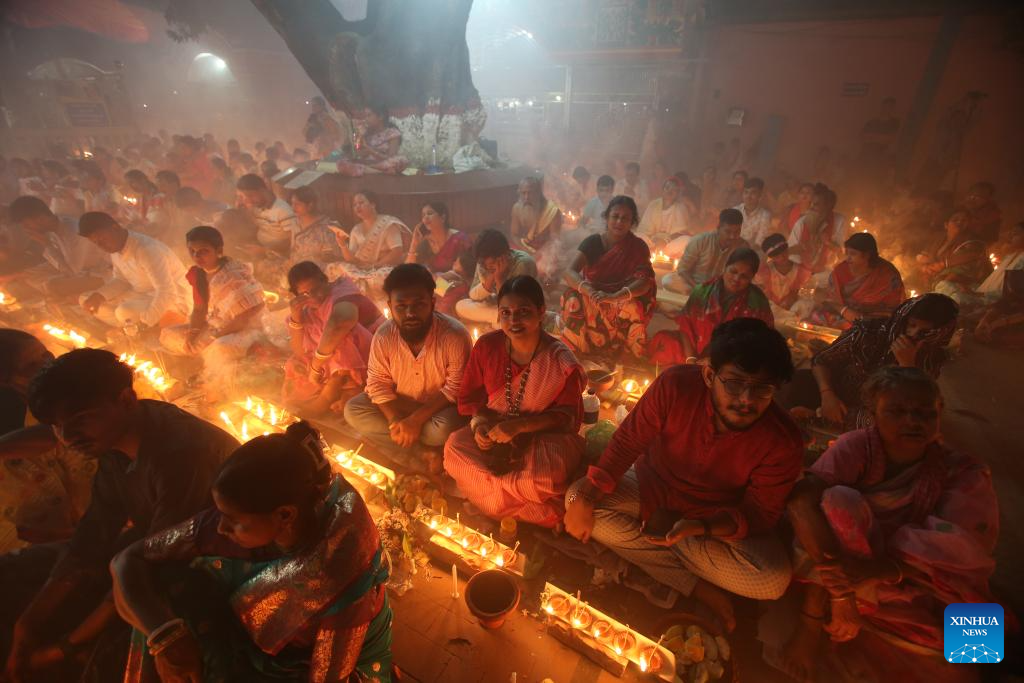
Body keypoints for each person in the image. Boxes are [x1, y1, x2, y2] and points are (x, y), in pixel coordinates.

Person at [0, 349, 238, 682]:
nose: (67, 438)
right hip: (144, 551)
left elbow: (151, 563)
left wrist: (61, 649)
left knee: (108, 663)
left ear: (126, 399)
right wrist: (27, 626)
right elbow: (92, 536)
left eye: (81, 419)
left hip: (202, 568)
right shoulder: (115, 443)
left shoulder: (180, 455)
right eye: (56, 427)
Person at [564, 319, 802, 630]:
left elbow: (759, 513)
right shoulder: (675, 385)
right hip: (651, 485)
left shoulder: (782, 440)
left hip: (715, 514)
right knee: (574, 498)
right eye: (734, 383)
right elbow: (628, 440)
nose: (746, 399)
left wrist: (701, 528)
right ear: (708, 374)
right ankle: (697, 585)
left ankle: (654, 549)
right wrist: (589, 492)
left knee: (772, 581)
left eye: (762, 389)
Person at [110, 422, 392, 683]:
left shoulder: (339, 573)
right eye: (219, 513)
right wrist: (166, 637)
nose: (220, 528)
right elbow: (127, 560)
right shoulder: (230, 523)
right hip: (246, 634)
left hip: (299, 664)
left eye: (232, 519)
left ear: (284, 515)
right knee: (161, 584)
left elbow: (329, 677)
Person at [782, 367, 997, 683]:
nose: (913, 421)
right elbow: (801, 503)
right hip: (853, 571)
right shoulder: (857, 448)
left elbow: (962, 547)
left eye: (925, 413)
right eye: (897, 411)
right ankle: (815, 623)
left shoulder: (962, 470)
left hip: (923, 575)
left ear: (940, 415)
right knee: (838, 503)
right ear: (873, 414)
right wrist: (843, 594)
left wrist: (887, 570)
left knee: (972, 654)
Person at [445, 276, 585, 527]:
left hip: (545, 437)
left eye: (523, 312)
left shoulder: (560, 360)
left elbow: (567, 418)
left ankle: (490, 499)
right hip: (496, 429)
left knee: (543, 477)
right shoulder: (488, 346)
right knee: (454, 448)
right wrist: (480, 427)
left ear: (541, 312)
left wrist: (520, 427)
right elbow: (470, 397)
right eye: (506, 313)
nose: (513, 321)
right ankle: (524, 506)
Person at [344, 264, 471, 472]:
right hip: (399, 404)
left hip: (437, 409)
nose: (410, 313)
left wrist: (416, 420)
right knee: (353, 410)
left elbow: (455, 389)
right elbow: (377, 383)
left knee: (441, 429)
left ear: (432, 302)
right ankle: (422, 451)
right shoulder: (384, 336)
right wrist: (395, 420)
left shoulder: (455, 336)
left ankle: (411, 442)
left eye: (419, 304)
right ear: (390, 305)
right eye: (401, 306)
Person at [0, 331, 95, 553]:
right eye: (31, 365)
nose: (48, 363)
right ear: (6, 382)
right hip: (48, 556)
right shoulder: (13, 426)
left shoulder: (56, 399)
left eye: (46, 354)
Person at [812, 293, 958, 430]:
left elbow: (919, 406)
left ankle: (821, 418)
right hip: (836, 395)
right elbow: (822, 359)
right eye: (912, 325)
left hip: (876, 417)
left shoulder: (934, 359)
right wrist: (827, 394)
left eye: (925, 332)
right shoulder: (869, 331)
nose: (913, 334)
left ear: (939, 333)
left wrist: (908, 366)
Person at [159, 227, 267, 399]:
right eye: (192, 251)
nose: (196, 257)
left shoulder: (234, 274)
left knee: (218, 348)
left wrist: (213, 337)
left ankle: (213, 387)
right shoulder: (198, 274)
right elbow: (199, 309)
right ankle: (203, 364)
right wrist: (193, 334)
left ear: (219, 251)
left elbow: (246, 317)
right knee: (168, 335)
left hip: (246, 329)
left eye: (203, 251)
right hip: (215, 324)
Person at [282, 262, 384, 415]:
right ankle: (341, 392)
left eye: (316, 289)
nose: (313, 297)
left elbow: (340, 324)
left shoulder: (341, 292)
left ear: (325, 280)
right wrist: (296, 318)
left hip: (373, 353)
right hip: (335, 361)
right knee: (295, 363)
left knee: (341, 337)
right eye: (304, 294)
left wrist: (316, 367)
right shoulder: (306, 309)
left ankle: (330, 394)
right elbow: (299, 350)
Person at [561, 196, 656, 359]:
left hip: (622, 299)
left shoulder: (638, 247)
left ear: (632, 222)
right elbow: (569, 272)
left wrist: (615, 297)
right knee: (572, 297)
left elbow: (644, 282)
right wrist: (589, 290)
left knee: (634, 306)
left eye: (625, 218)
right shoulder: (593, 242)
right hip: (594, 297)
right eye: (615, 216)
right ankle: (578, 351)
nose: (619, 222)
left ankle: (628, 355)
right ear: (607, 217)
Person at [78, 212, 191, 331]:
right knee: (86, 300)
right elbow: (121, 280)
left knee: (123, 312)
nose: (101, 246)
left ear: (115, 228)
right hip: (140, 294)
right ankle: (130, 327)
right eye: (96, 243)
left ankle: (138, 326)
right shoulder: (115, 247)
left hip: (172, 298)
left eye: (102, 239)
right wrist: (99, 296)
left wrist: (147, 322)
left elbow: (167, 290)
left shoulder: (146, 250)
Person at [668, 247, 773, 362]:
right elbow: (685, 327)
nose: (736, 279)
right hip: (695, 354)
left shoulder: (757, 303)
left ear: (751, 278)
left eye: (744, 276)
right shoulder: (702, 291)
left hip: (733, 361)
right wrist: (691, 359)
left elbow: (758, 343)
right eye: (733, 271)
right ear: (725, 268)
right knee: (664, 343)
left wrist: (716, 362)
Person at [3, 195, 108, 298]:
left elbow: (72, 272)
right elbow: (57, 264)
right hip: (78, 273)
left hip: (99, 276)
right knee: (29, 279)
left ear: (40, 218)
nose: (27, 230)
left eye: (27, 225)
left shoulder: (75, 232)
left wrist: (47, 245)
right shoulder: (55, 229)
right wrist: (19, 274)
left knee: (53, 286)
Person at [809, 233, 906, 328]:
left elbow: (891, 310)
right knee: (816, 316)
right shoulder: (841, 270)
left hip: (873, 322)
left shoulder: (887, 274)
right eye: (847, 253)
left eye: (853, 254)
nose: (848, 258)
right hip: (842, 315)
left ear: (867, 255)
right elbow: (831, 298)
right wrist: (841, 309)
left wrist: (852, 314)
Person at [330, 190, 410, 293]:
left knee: (382, 278)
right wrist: (342, 245)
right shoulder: (356, 229)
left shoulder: (387, 224)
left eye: (361, 203)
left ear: (373, 204)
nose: (357, 207)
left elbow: (397, 252)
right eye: (355, 205)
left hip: (383, 267)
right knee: (333, 268)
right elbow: (351, 259)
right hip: (362, 268)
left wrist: (374, 266)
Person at [455, 228, 538, 325]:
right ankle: (498, 318)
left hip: (518, 311)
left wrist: (499, 279)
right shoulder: (483, 262)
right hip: (495, 309)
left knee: (518, 317)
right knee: (461, 305)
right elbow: (473, 296)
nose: (486, 267)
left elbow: (513, 304)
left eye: (491, 264)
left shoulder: (522, 264)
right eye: (483, 264)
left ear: (505, 255)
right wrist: (490, 280)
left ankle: (500, 321)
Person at [405, 201, 473, 314]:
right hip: (433, 284)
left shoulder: (459, 239)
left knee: (446, 291)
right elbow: (407, 269)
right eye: (423, 215)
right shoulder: (425, 243)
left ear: (443, 217)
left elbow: (469, 267)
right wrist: (414, 243)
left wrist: (442, 279)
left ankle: (442, 319)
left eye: (430, 213)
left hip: (457, 282)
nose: (425, 217)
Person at [662, 208, 749, 295]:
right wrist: (698, 288)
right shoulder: (701, 240)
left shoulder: (743, 247)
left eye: (737, 232)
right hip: (694, 284)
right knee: (668, 280)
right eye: (728, 232)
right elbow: (683, 269)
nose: (732, 236)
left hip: (722, 289)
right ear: (718, 227)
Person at [917, 208, 991, 306]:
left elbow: (970, 257)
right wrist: (925, 266)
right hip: (935, 280)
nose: (959, 222)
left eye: (964, 220)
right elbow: (926, 258)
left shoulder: (973, 242)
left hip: (962, 282)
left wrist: (943, 264)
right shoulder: (938, 240)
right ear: (946, 224)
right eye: (955, 219)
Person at [236, 173, 300, 256]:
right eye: (242, 196)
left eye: (250, 195)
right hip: (260, 246)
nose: (247, 200)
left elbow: (290, 241)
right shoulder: (255, 207)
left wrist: (265, 251)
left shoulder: (283, 211)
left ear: (263, 190)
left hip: (278, 254)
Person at [788, 183, 847, 274]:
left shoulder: (839, 221)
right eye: (811, 203)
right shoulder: (802, 222)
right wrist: (801, 247)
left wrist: (828, 242)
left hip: (826, 271)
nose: (811, 207)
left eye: (816, 204)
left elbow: (842, 254)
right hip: (801, 269)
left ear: (828, 206)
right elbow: (789, 251)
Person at [336, 105, 408, 176]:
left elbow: (391, 157)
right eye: (365, 116)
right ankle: (378, 172)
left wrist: (369, 149)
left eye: (369, 115)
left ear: (380, 117)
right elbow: (358, 154)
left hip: (385, 163)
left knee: (401, 161)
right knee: (342, 163)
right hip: (369, 164)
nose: (366, 119)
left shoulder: (392, 133)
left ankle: (368, 170)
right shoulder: (366, 133)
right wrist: (360, 136)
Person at [289, 185, 343, 268]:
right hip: (297, 270)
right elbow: (293, 250)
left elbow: (334, 259)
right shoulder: (295, 223)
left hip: (318, 272)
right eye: (292, 203)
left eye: (297, 204)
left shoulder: (327, 228)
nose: (293, 208)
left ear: (310, 205)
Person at [638, 176, 692, 258]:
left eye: (674, 190)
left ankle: (657, 254)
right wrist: (654, 240)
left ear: (677, 193)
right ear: (663, 189)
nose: (669, 191)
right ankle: (651, 251)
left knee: (687, 240)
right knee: (637, 236)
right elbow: (645, 228)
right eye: (667, 188)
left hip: (669, 244)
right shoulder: (653, 204)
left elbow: (681, 232)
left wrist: (665, 241)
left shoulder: (681, 207)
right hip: (652, 242)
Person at [757, 234, 812, 312]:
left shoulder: (802, 271)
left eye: (784, 253)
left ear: (787, 250)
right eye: (777, 256)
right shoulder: (764, 271)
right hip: (770, 310)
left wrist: (794, 296)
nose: (782, 257)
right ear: (771, 257)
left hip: (794, 310)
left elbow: (805, 294)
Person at [510, 176, 563, 253]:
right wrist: (526, 250)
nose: (526, 197)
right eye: (523, 193)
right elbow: (514, 234)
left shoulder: (552, 211)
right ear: (519, 192)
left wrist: (538, 254)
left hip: (545, 251)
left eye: (530, 193)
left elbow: (554, 241)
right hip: (525, 246)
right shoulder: (517, 208)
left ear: (538, 193)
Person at [976, 221, 1024, 299]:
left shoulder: (1022, 259)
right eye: (1011, 233)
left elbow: (1013, 291)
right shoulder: (1011, 256)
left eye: (1016, 233)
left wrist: (979, 295)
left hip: (997, 303)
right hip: (986, 299)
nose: (1010, 236)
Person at [735, 177, 773, 248]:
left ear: (760, 195)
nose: (748, 196)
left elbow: (759, 243)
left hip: (752, 253)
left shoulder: (765, 215)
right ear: (742, 194)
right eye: (746, 192)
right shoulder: (734, 211)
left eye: (753, 193)